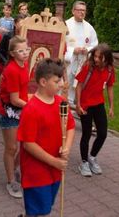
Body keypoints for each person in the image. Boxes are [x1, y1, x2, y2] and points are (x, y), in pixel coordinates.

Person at [17, 58, 75, 217]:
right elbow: (28, 144)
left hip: (55, 169)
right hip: (36, 171)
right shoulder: (31, 109)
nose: (62, 84)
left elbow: (70, 127)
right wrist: (54, 161)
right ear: (43, 81)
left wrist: (67, 147)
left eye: (61, 80)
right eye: (57, 81)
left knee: (46, 207)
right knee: (39, 210)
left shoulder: (61, 102)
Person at [75, 43, 115, 177]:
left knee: (102, 133)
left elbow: (110, 87)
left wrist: (111, 106)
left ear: (107, 58)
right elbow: (79, 86)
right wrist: (78, 105)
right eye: (96, 56)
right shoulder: (88, 67)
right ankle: (84, 162)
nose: (96, 59)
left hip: (98, 104)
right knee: (86, 134)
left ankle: (92, 157)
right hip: (85, 105)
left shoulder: (109, 70)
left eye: (100, 57)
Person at [0, 35, 30, 198]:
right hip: (9, 111)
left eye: (27, 49)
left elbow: (24, 91)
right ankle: (11, 181)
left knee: (24, 145)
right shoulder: (11, 70)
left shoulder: (24, 65)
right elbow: (14, 99)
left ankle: (16, 170)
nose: (25, 53)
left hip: (22, 110)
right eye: (21, 51)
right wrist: (32, 106)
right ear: (12, 53)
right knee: (11, 147)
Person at [64, 1, 98, 105]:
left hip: (82, 60)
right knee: (66, 82)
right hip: (68, 60)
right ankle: (62, 102)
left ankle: (73, 103)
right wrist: (72, 50)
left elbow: (95, 43)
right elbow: (60, 42)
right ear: (73, 11)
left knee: (78, 82)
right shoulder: (66, 25)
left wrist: (87, 50)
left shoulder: (89, 27)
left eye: (84, 10)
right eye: (79, 10)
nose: (82, 13)